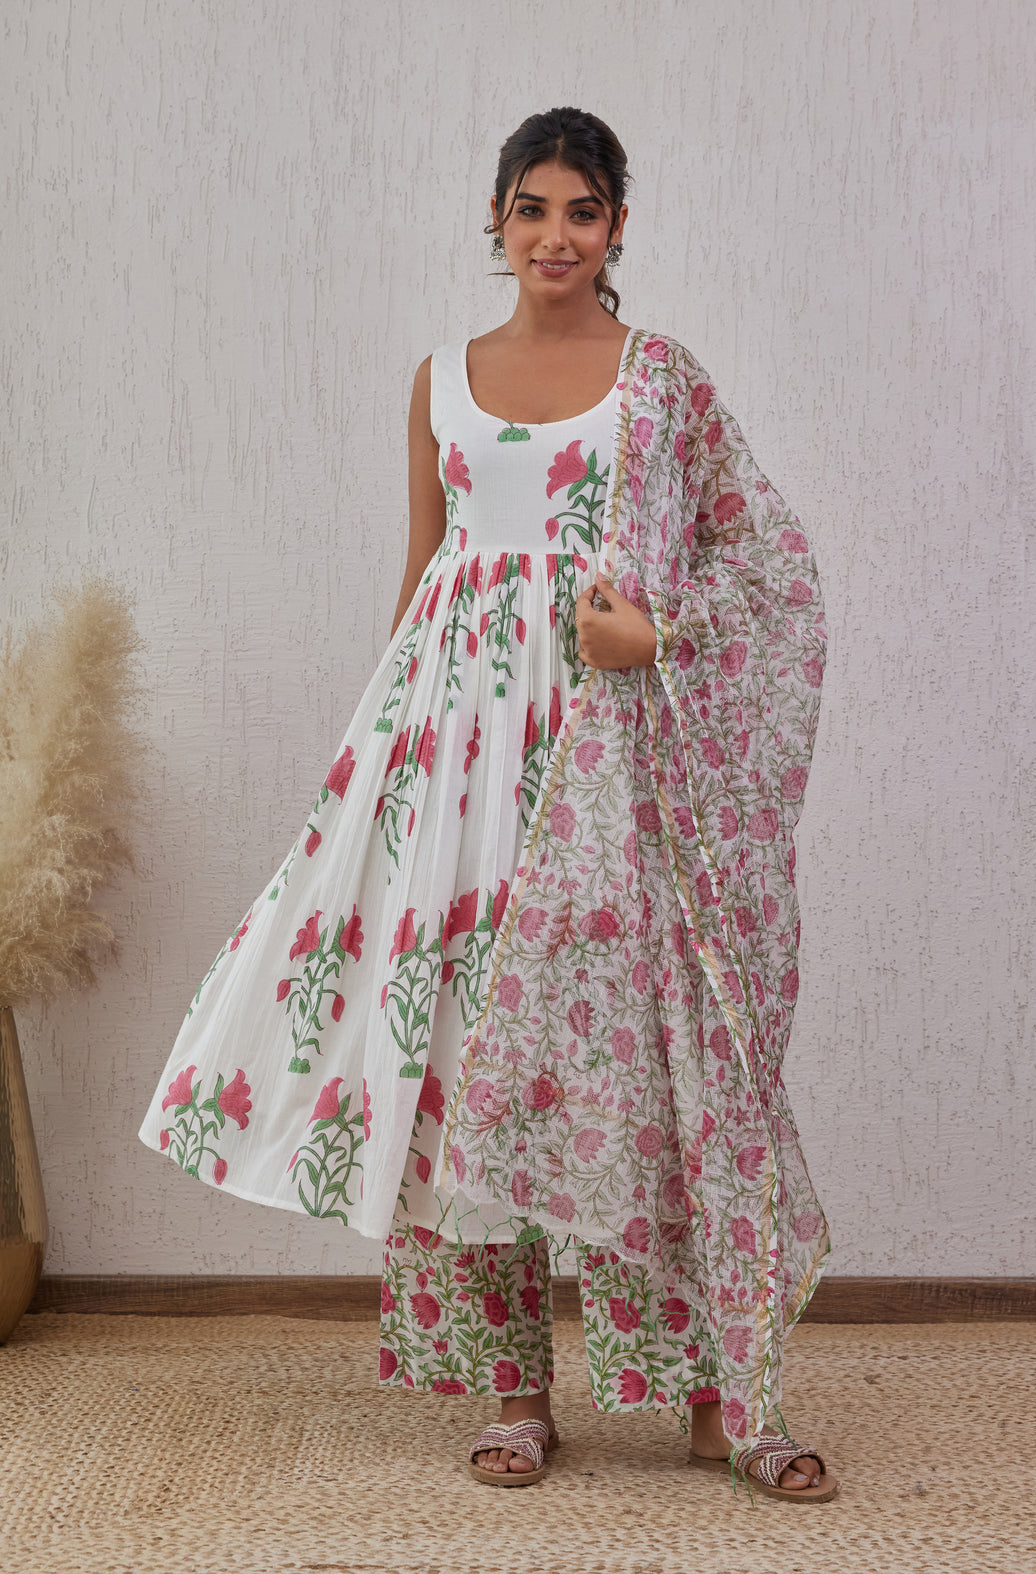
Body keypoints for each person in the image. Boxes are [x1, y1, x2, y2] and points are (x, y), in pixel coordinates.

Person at [139, 105, 836, 1504]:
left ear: (618, 226)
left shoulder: (664, 385)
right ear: (497, 222)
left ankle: (716, 1392)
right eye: (532, 209)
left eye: (583, 211)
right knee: (470, 1050)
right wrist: (384, 766)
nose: (555, 236)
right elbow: (427, 572)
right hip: (458, 752)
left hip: (614, 755)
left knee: (648, 1047)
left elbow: (770, 566)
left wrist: (657, 636)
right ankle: (517, 1393)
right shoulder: (441, 381)